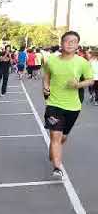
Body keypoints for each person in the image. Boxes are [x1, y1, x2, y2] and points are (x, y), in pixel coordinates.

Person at [43, 31, 94, 179]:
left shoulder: (82, 62)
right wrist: (45, 86)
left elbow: (90, 80)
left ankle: (53, 150)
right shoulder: (51, 61)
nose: (70, 44)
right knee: (55, 135)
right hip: (53, 104)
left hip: (73, 107)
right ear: (61, 43)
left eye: (74, 41)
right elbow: (46, 75)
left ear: (77, 45)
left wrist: (78, 84)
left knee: (63, 137)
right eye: (67, 41)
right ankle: (57, 167)